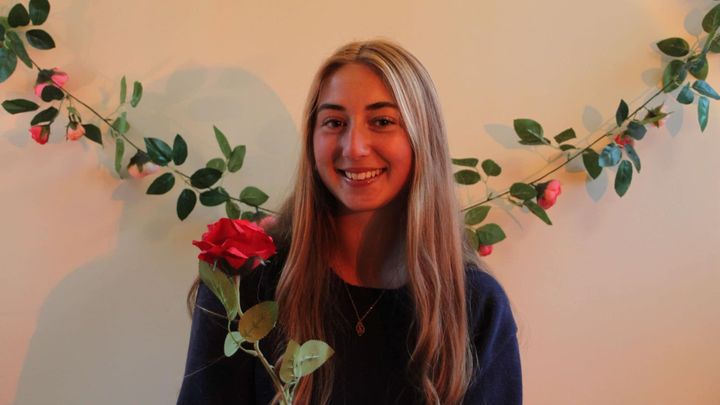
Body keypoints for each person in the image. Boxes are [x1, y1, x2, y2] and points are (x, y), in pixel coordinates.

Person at [178, 39, 522, 405]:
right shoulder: (245, 282)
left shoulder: (475, 307)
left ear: (424, 138)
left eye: (382, 121)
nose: (354, 147)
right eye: (334, 122)